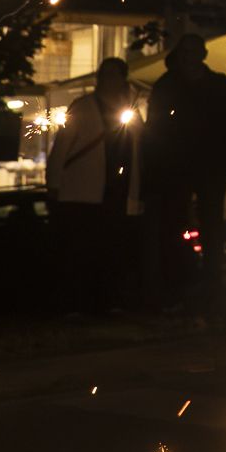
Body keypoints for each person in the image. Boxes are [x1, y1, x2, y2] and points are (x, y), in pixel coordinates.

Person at [142, 34, 226, 311]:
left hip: (207, 167)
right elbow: (156, 128)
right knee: (176, 224)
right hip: (178, 167)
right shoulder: (170, 86)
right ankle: (181, 283)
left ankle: (207, 284)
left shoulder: (217, 86)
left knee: (209, 224)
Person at [47, 58, 141, 314]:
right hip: (84, 194)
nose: (109, 80)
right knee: (82, 251)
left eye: (114, 75)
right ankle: (80, 302)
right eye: (106, 74)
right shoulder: (84, 107)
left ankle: (104, 301)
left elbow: (138, 151)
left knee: (108, 250)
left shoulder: (129, 111)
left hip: (114, 193)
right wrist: (54, 184)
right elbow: (61, 149)